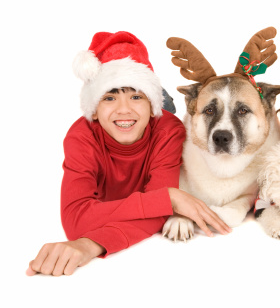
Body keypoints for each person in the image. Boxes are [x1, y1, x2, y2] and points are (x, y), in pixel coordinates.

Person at [26, 31, 231, 276]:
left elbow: (158, 214)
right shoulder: (81, 136)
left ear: (153, 105)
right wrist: (168, 198)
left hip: (112, 210)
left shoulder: (168, 130)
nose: (124, 110)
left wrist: (91, 243)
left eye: (136, 96)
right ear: (93, 111)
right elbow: (75, 220)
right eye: (109, 97)